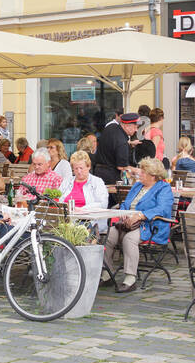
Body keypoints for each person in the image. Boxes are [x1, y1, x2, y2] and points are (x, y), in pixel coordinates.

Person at [103, 157, 174, 293]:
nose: (139, 173)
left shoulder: (163, 188)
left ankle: (130, 279)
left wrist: (141, 215)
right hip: (128, 223)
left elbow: (163, 209)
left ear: (153, 175)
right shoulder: (137, 185)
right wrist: (124, 211)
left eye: (143, 171)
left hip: (151, 225)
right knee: (108, 236)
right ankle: (107, 274)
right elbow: (126, 203)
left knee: (129, 239)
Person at [56, 151, 109, 231]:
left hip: (89, 222)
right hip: (67, 220)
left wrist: (82, 210)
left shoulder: (97, 182)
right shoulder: (67, 181)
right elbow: (58, 199)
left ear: (88, 167)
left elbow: (103, 204)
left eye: (81, 168)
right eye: (76, 168)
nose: (79, 171)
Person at [93, 112, 140, 185]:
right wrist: (138, 171)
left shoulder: (111, 126)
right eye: (135, 127)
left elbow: (112, 144)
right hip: (110, 177)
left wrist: (130, 144)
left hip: (98, 172)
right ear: (127, 126)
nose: (136, 130)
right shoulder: (122, 142)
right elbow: (122, 167)